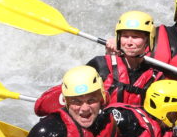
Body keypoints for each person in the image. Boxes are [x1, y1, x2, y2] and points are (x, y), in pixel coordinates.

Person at [35, 11, 163, 116]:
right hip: (98, 130)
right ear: (118, 38)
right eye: (125, 36)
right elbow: (43, 106)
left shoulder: (155, 76)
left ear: (148, 39)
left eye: (136, 37)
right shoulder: (101, 65)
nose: (129, 42)